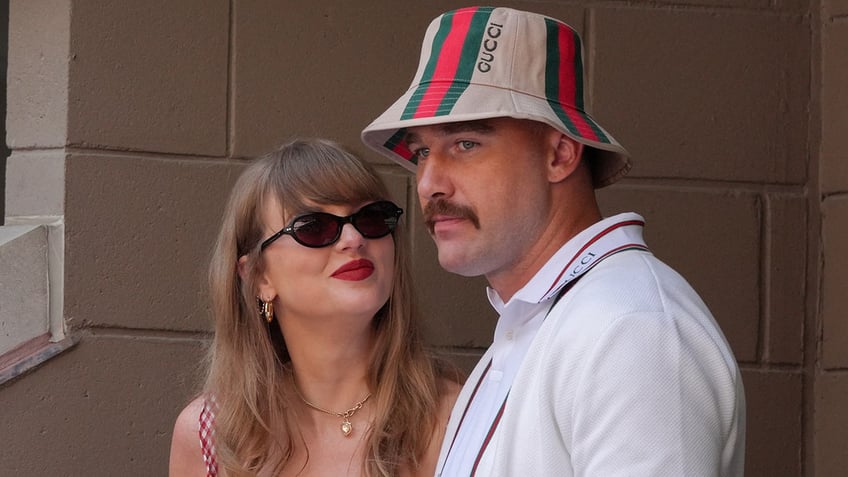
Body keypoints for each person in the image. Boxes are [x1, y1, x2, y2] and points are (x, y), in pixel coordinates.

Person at [362, 6, 745, 476]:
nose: (428, 183)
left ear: (559, 154)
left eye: (465, 144)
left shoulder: (629, 328)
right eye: (422, 151)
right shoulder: (543, 322)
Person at [169, 139, 460, 476]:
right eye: (314, 227)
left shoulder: (454, 417)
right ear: (259, 277)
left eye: (372, 218)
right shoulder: (211, 435)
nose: (353, 238)